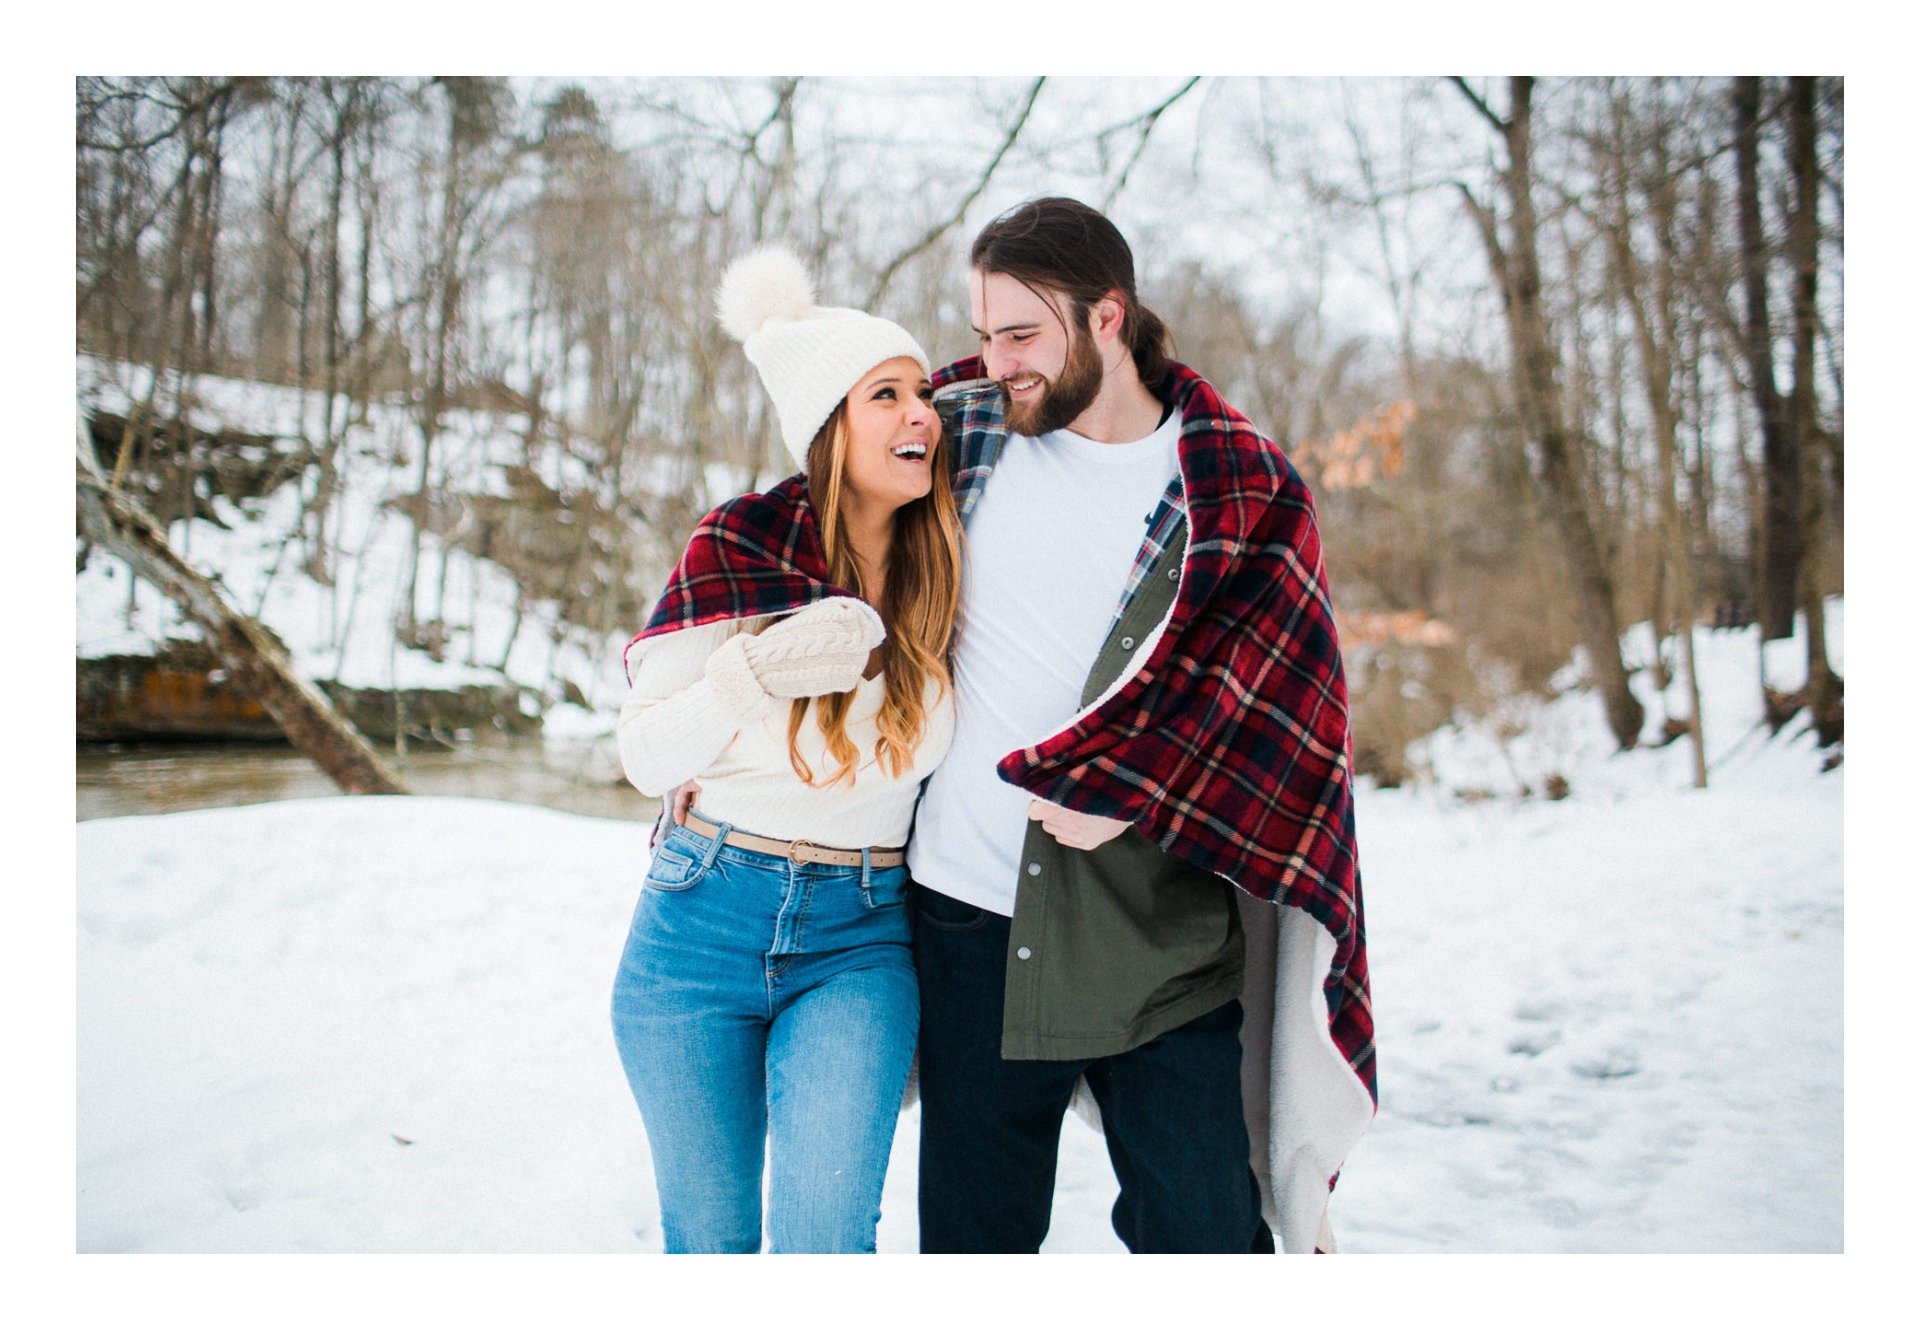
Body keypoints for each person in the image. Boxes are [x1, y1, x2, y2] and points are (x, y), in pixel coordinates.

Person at [906, 197, 1377, 1254]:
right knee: (972, 1249)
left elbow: (1284, 722)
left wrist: (1142, 791)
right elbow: (813, 523)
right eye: (984, 331)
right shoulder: (959, 428)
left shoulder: (1241, 487)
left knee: (1206, 1236)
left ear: (1107, 316)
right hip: (969, 917)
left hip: (1155, 928)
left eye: (1022, 333)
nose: (996, 359)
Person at [610, 247, 962, 1254]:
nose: (922, 415)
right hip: (698, 924)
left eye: (924, 395)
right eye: (886, 395)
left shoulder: (947, 569)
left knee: (823, 1241)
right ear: (827, 426)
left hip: (860, 936)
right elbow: (643, 753)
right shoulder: (736, 546)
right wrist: (749, 674)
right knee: (712, 1242)